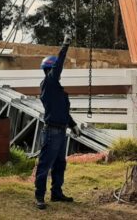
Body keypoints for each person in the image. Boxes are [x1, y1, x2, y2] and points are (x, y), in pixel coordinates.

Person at [34, 35, 81, 210]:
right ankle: (39, 196)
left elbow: (63, 112)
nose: (59, 72)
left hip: (61, 131)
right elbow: (58, 65)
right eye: (55, 69)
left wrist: (73, 125)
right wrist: (65, 45)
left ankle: (56, 193)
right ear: (50, 69)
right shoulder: (48, 83)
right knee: (45, 164)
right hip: (52, 132)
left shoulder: (58, 91)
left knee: (60, 163)